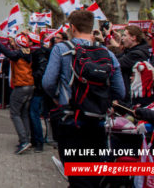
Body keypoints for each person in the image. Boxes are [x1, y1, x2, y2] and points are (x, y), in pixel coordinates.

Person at [42, 10, 125, 188]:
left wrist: (58, 98)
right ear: (92, 27)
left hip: (71, 120)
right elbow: (120, 91)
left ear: (72, 28)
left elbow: (48, 82)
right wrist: (104, 100)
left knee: (76, 176)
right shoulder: (107, 54)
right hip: (98, 122)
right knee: (92, 175)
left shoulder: (61, 49)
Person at [0, 33, 34, 154]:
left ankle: (24, 141)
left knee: (14, 113)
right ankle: (27, 138)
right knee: (24, 113)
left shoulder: (18, 54)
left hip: (21, 86)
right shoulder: (28, 53)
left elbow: (8, 53)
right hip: (30, 85)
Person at [118, 25, 151, 101]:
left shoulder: (137, 54)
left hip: (132, 97)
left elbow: (118, 63)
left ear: (133, 37)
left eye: (124, 35)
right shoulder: (129, 51)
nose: (122, 38)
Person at [28, 32, 48, 152]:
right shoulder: (38, 52)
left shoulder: (39, 53)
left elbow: (42, 69)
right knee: (32, 114)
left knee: (33, 114)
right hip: (36, 87)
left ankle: (39, 141)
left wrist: (31, 77)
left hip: (38, 88)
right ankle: (35, 140)